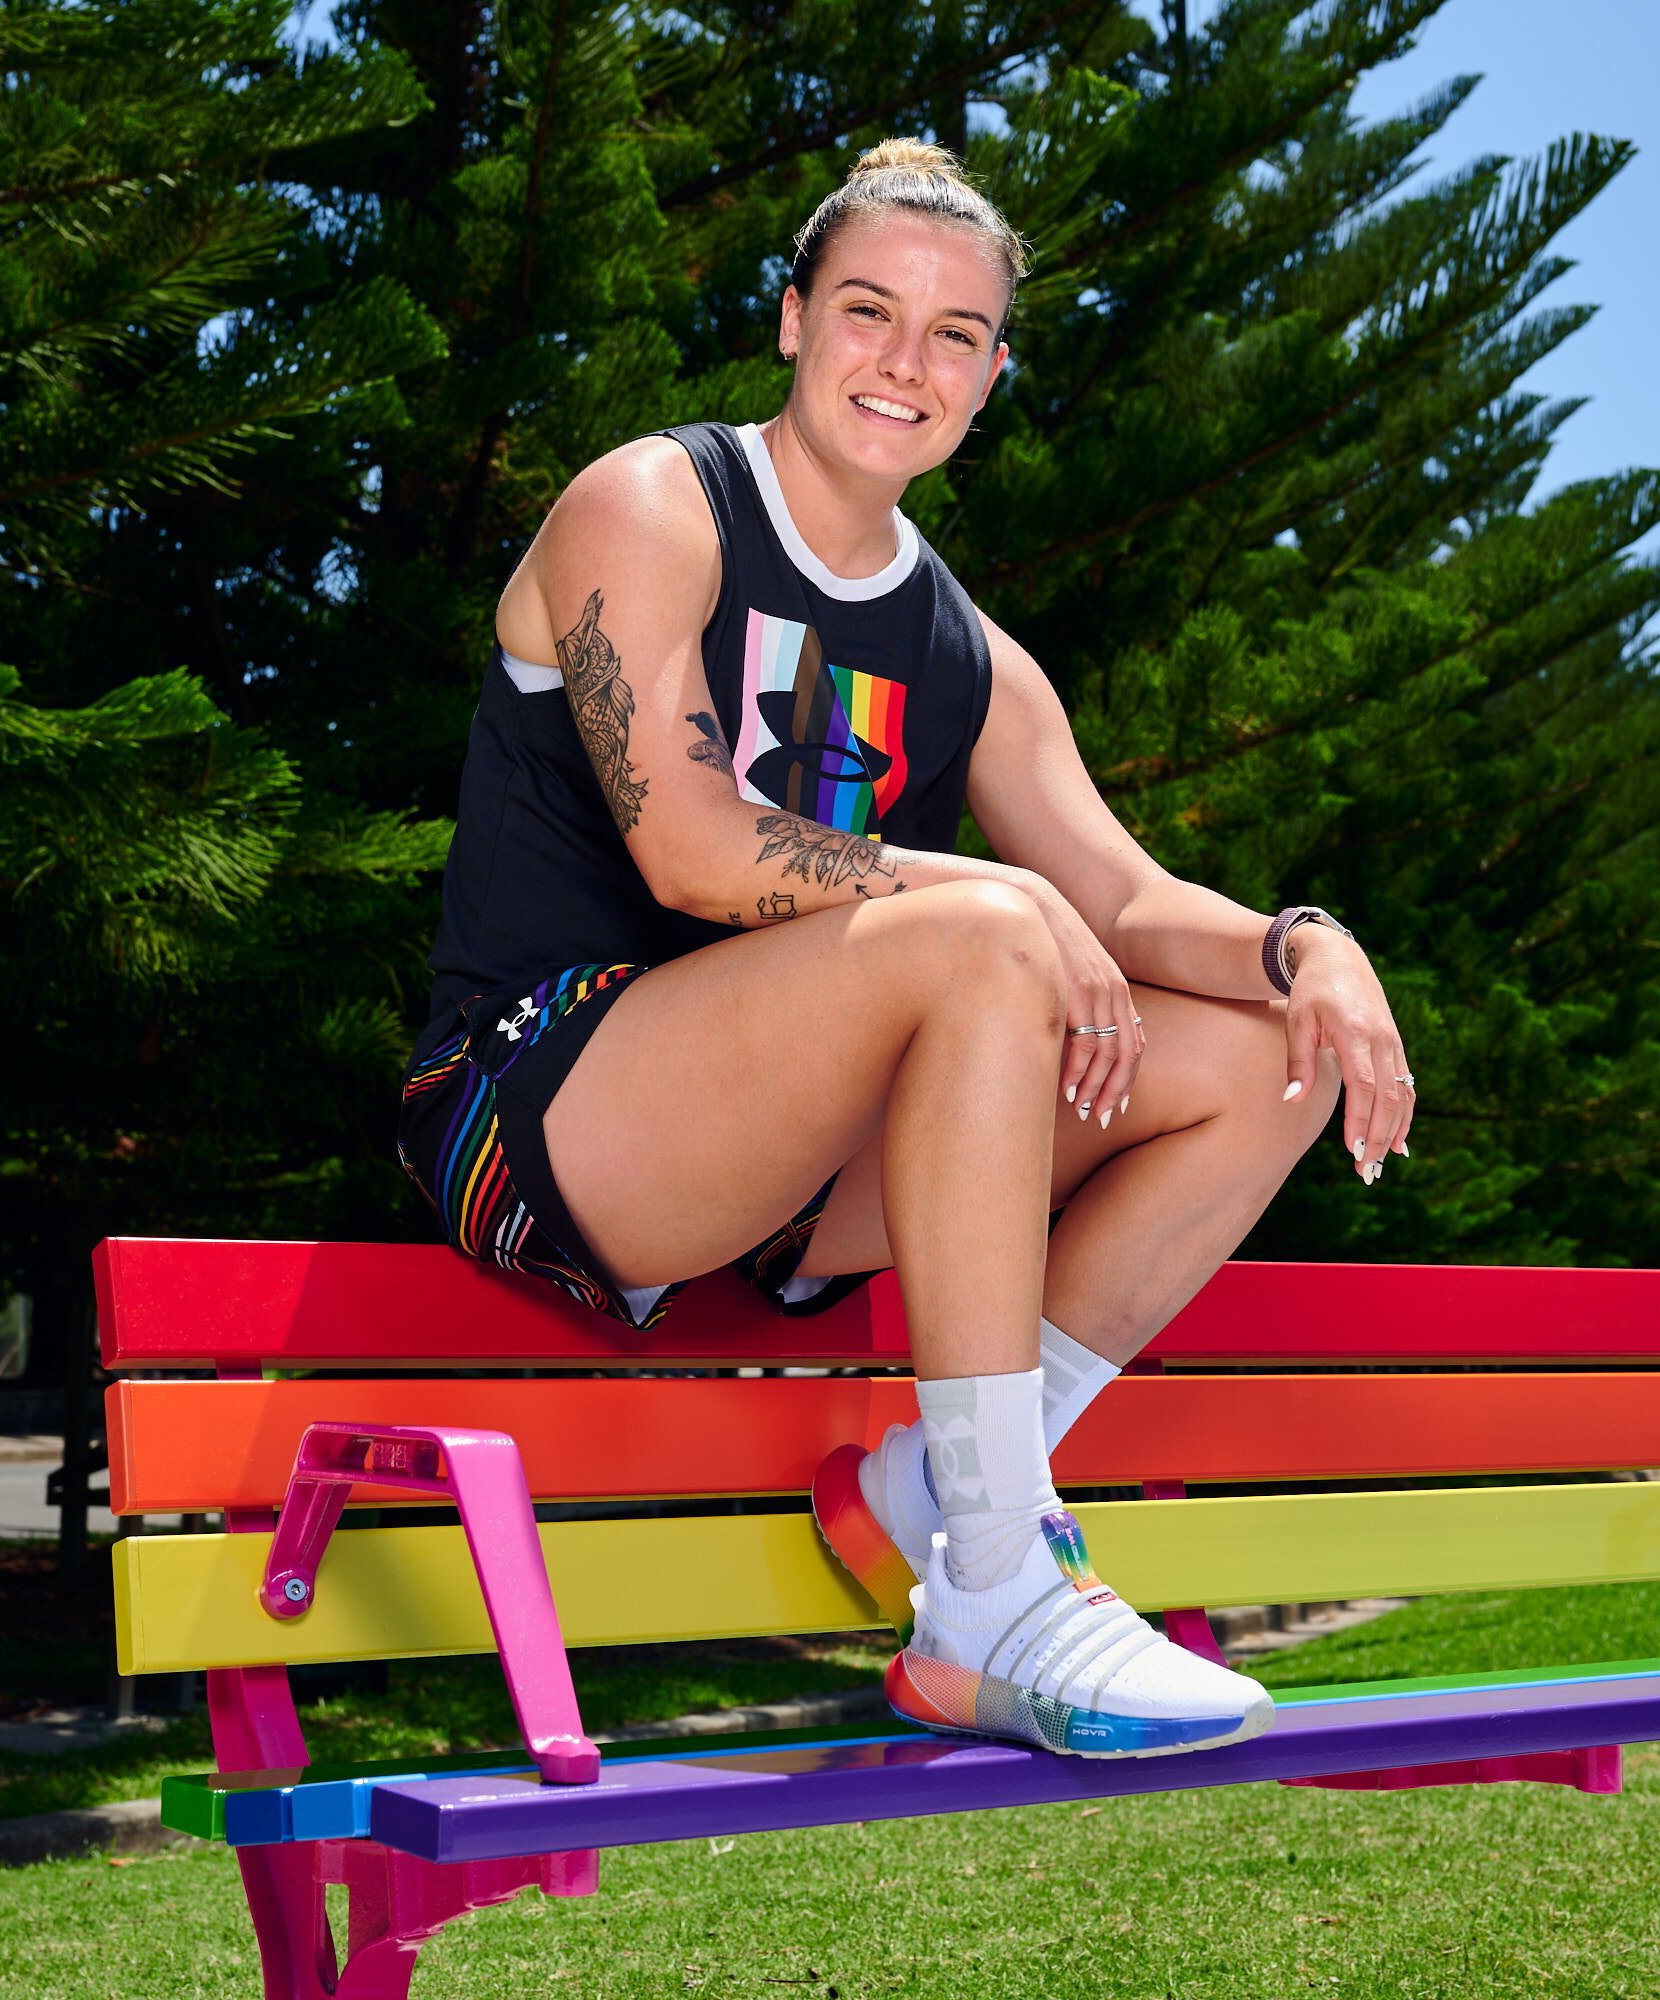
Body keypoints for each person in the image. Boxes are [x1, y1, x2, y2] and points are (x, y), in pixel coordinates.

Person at [403, 139, 1417, 1761]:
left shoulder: (968, 651)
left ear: (993, 374)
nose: (906, 360)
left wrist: (1312, 948)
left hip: (796, 1185)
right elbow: (682, 839)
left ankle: (942, 1489)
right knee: (981, 939)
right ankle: (1000, 1578)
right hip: (545, 1113)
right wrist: (992, 908)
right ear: (795, 319)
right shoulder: (656, 507)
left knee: (1261, 1054)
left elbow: (1131, 899)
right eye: (870, 310)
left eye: (955, 335)